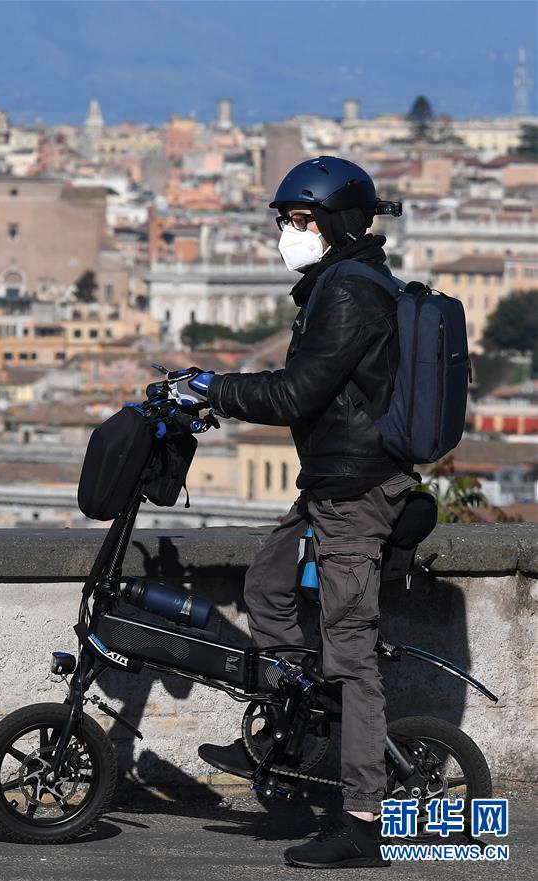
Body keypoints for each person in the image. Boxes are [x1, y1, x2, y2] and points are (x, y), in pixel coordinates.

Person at [173, 156, 413, 869]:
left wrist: (214, 387)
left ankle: (363, 823)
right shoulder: (339, 282)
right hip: (329, 480)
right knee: (269, 588)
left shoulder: (348, 293)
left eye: (300, 221)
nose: (287, 233)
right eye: (284, 221)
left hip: (354, 491)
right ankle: (293, 731)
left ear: (335, 224)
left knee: (351, 658)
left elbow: (295, 396)